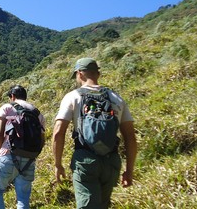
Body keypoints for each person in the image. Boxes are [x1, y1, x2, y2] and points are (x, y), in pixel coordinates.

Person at [52, 58, 137, 208]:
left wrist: (58, 164)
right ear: (98, 74)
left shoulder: (73, 97)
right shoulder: (116, 98)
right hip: (112, 161)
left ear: (80, 74)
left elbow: (59, 132)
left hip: (85, 160)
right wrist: (129, 171)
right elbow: (130, 137)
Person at [0, 85, 45, 209]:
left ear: (12, 96)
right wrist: (32, 156)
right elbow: (42, 140)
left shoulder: (8, 107)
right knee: (23, 198)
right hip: (29, 160)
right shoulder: (37, 113)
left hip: (7, 155)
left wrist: (0, 152)